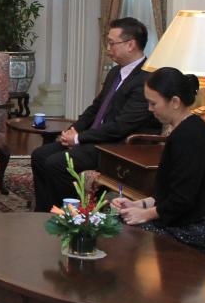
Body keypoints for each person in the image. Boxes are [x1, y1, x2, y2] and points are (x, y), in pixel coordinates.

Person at [30, 17, 160, 212]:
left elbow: (121, 126)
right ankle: (45, 212)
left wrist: (79, 138)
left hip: (116, 147)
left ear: (130, 44)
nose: (108, 48)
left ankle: (75, 216)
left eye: (112, 43)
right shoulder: (115, 72)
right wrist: (72, 131)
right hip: (96, 140)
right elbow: (95, 108)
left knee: (56, 164)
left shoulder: (147, 80)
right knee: (40, 155)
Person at [110, 67, 205, 254]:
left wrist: (144, 215)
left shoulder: (189, 136)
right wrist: (139, 205)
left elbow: (181, 200)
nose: (150, 109)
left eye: (153, 104)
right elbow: (170, 193)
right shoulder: (184, 130)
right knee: (112, 220)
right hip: (191, 221)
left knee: (119, 229)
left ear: (175, 102)